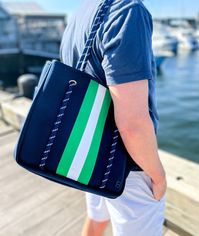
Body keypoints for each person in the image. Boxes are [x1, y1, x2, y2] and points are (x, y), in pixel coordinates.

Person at [60, 0, 167, 235]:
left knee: (96, 221)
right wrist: (157, 175)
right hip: (126, 165)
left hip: (90, 153)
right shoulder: (128, 11)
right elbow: (133, 123)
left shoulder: (81, 13)